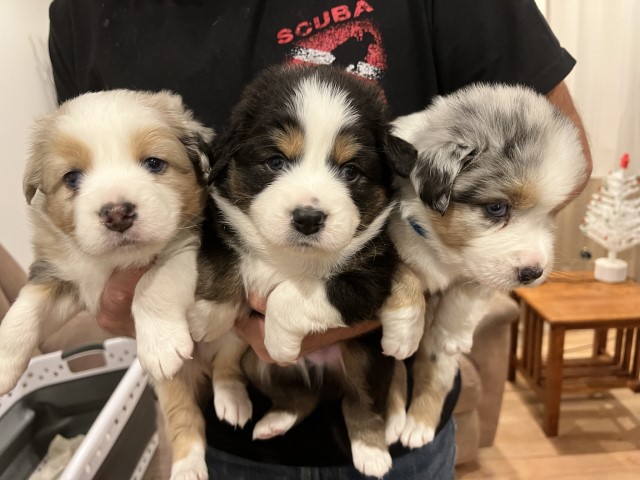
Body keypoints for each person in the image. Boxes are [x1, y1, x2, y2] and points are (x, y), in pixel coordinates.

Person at [48, 1, 592, 478]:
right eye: (276, 160)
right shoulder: (80, 13)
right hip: (227, 441)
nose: (308, 200)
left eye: (350, 170)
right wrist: (141, 296)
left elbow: (560, 158)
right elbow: (84, 174)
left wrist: (423, 278)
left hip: (395, 435)